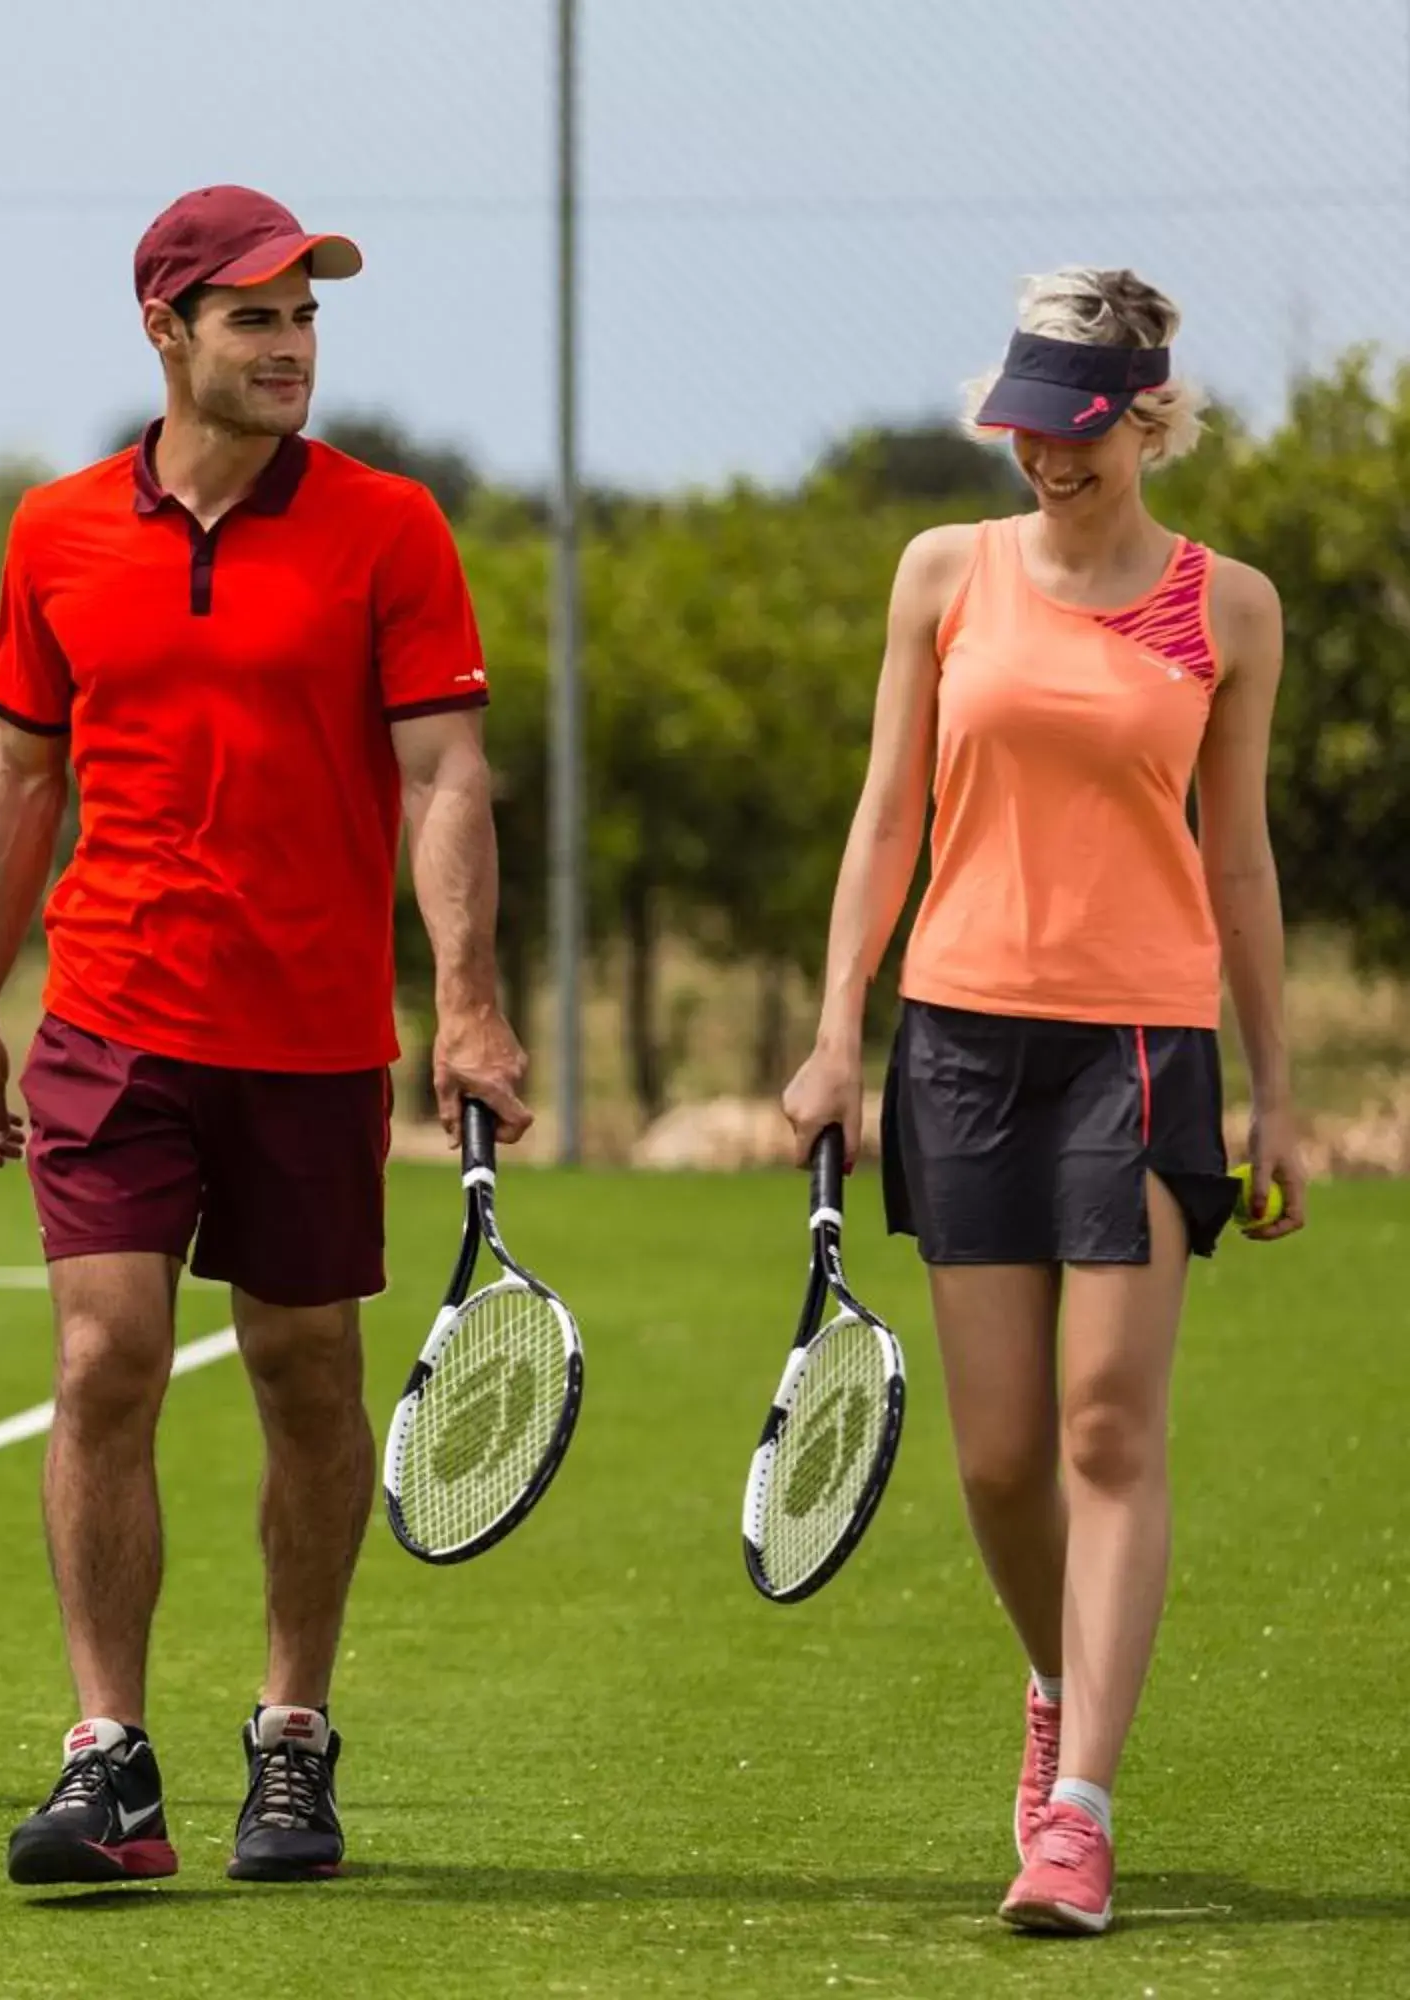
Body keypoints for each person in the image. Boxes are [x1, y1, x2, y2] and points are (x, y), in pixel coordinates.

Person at [0, 183, 531, 1888]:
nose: (293, 348)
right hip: (112, 1021)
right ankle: (109, 1762)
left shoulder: (391, 528)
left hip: (313, 1033)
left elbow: (445, 776)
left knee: (305, 1374)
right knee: (102, 1358)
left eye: (307, 316)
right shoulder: (53, 532)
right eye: (257, 316)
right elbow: (18, 769)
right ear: (168, 330)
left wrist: (469, 1000)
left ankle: (291, 1737)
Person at [782, 267, 1305, 1936]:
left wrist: (1280, 1090)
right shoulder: (945, 573)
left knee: (1101, 1427)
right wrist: (829, 1032)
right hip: (956, 1037)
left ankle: (1079, 1812)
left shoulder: (1230, 609)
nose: (1047, 460)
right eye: (1025, 427)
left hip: (1143, 1046)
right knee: (1001, 1458)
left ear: (1150, 417)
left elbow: (1238, 857)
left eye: (1080, 431)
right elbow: (884, 817)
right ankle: (1052, 1686)